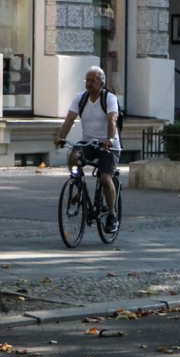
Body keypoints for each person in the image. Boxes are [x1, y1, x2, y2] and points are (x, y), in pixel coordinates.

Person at [54, 66, 120, 233]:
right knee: (73, 157)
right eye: (87, 80)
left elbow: (112, 121)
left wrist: (110, 139)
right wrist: (60, 136)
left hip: (108, 146)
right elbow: (69, 120)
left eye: (93, 81)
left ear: (101, 83)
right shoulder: (80, 98)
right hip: (88, 143)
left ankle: (112, 216)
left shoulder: (109, 98)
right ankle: (77, 186)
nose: (89, 84)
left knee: (105, 179)